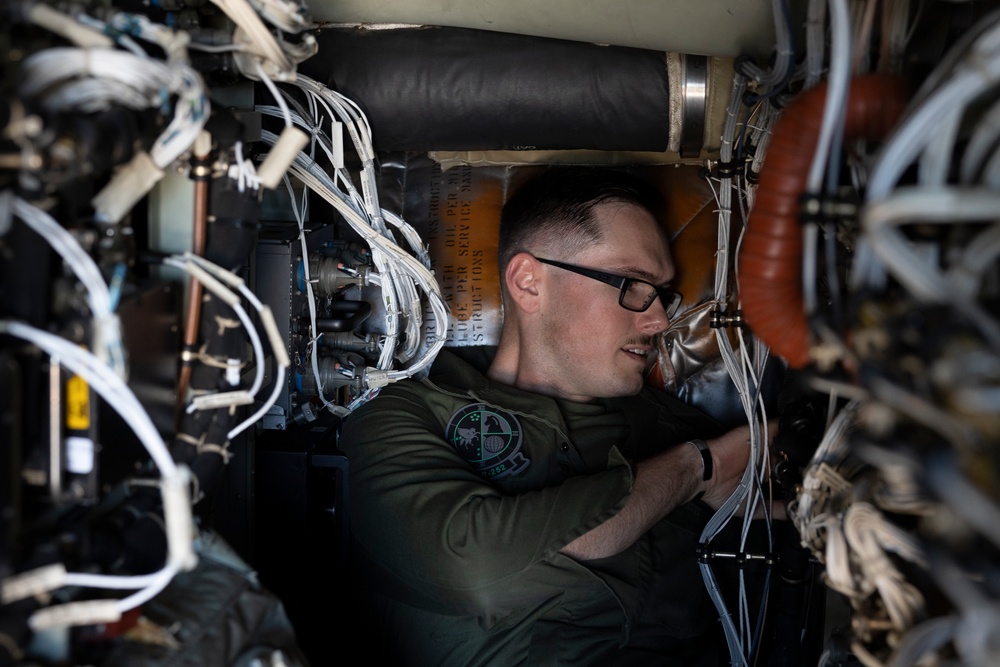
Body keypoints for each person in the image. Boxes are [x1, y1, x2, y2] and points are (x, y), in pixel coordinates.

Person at [338, 166, 772, 666]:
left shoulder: (681, 431)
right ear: (529, 283)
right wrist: (691, 472)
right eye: (633, 284)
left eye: (662, 294)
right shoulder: (406, 418)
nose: (658, 320)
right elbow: (477, 569)